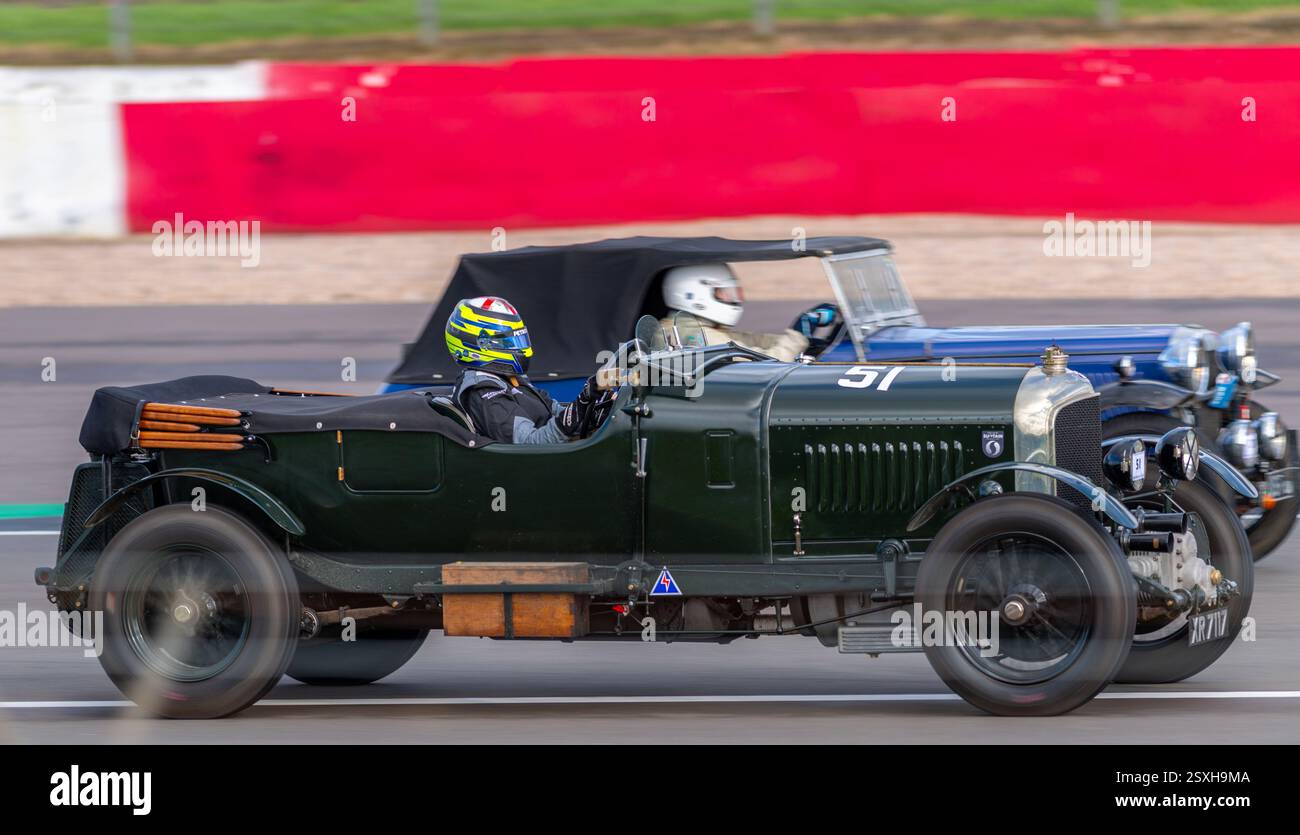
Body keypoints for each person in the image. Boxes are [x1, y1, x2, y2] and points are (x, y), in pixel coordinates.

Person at [446, 296, 602, 444]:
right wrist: (579, 407)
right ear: (481, 344)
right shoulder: (482, 393)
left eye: (517, 339)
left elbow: (555, 413)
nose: (518, 348)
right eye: (506, 342)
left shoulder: (511, 379)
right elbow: (530, 444)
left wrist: (593, 409)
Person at [658, 264, 842, 361]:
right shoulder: (695, 336)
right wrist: (798, 335)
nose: (732, 299)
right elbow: (771, 363)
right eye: (724, 293)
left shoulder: (694, 326)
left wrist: (811, 343)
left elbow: (751, 341)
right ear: (693, 295)